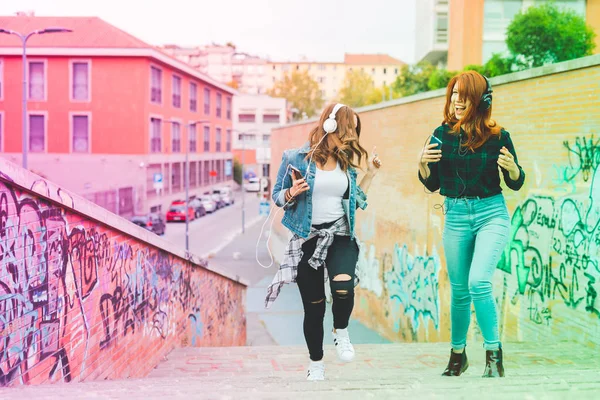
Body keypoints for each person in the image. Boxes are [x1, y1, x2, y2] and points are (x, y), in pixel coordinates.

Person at [418, 71, 525, 378]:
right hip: (455, 216)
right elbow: (434, 183)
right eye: (453, 94)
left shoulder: (498, 136)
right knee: (460, 290)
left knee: (479, 281)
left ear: (480, 100)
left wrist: (514, 169)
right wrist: (424, 166)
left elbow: (515, 183)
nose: (457, 101)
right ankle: (457, 356)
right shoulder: (441, 134)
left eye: (463, 96)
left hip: (491, 213)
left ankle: (494, 354)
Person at [265, 103, 382, 381]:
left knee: (343, 287)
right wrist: (292, 192)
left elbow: (355, 203)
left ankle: (340, 330)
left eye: (354, 130)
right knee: (314, 307)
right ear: (329, 125)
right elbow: (277, 196)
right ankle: (316, 362)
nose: (351, 136)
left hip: (340, 234)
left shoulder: (345, 162)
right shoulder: (295, 158)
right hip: (308, 238)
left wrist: (371, 174)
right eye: (347, 129)